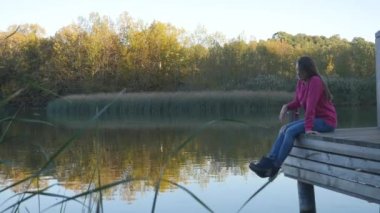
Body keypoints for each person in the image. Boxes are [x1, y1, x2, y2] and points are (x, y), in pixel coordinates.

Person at [249, 56, 337, 178]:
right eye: (296, 70)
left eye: (299, 70)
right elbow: (298, 102)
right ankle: (269, 162)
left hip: (326, 121)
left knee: (290, 131)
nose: (297, 73)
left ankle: (275, 166)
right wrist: (286, 106)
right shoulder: (301, 83)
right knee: (284, 129)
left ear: (307, 70)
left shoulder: (315, 81)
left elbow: (311, 106)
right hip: (315, 119)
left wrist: (308, 128)